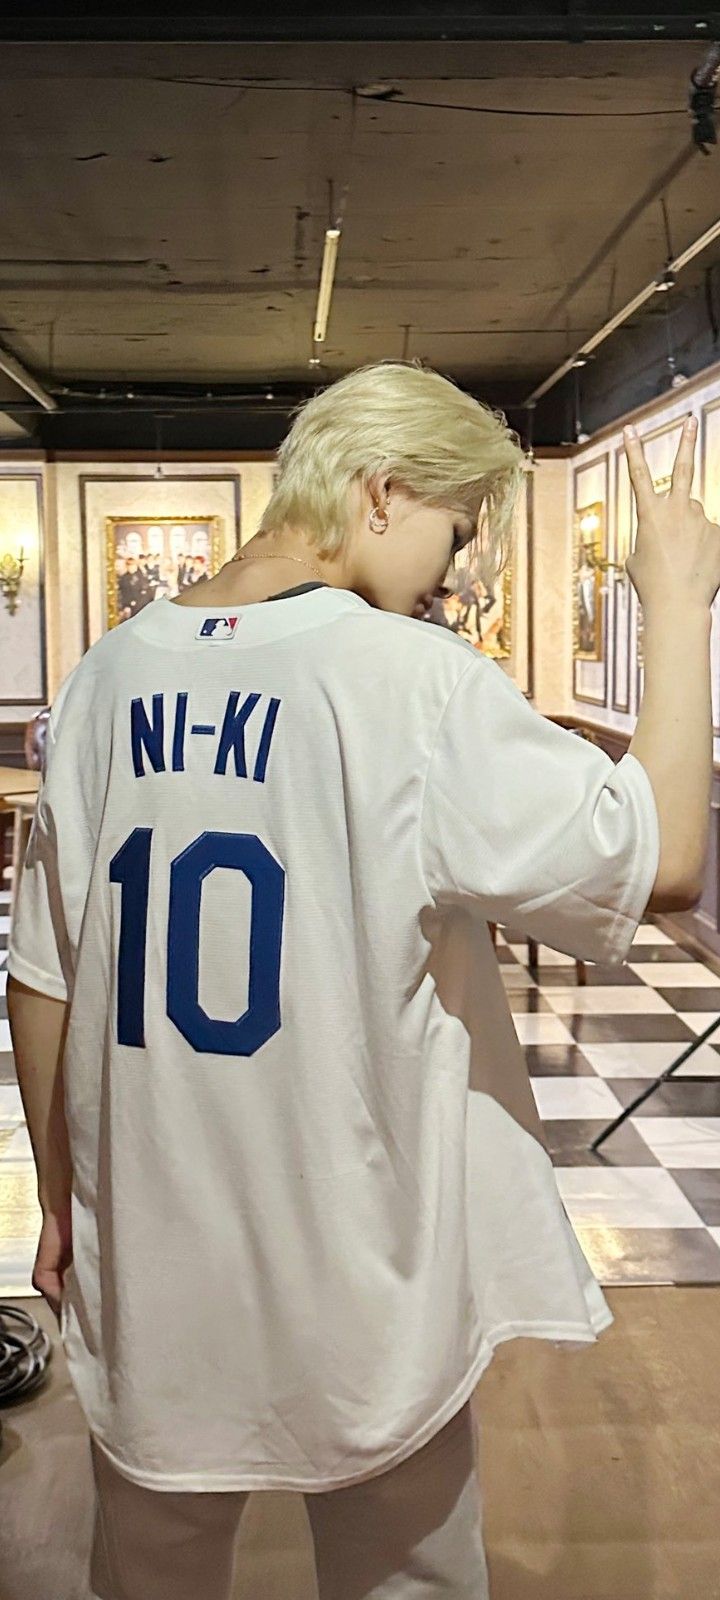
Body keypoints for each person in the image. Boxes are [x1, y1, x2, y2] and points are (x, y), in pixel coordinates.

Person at [6, 368, 715, 1600]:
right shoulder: (414, 684)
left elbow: (43, 980)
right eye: (452, 534)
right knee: (407, 1574)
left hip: (155, 1256)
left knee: (148, 1574)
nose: (451, 579)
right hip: (368, 1259)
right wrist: (678, 598)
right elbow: (668, 858)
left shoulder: (100, 682)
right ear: (381, 492)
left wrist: (63, 1201)